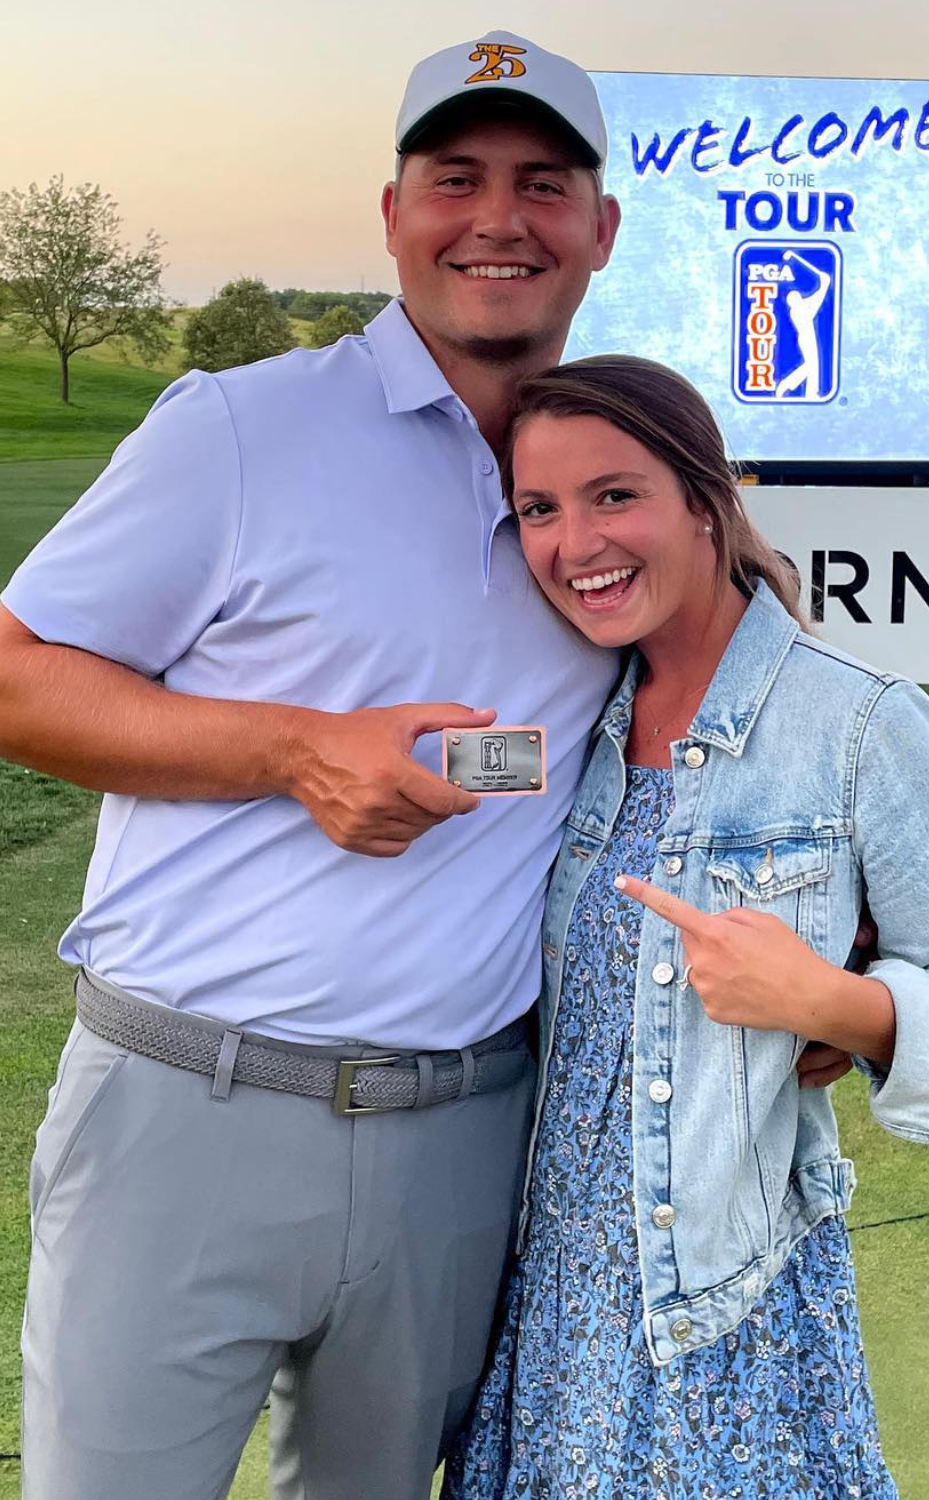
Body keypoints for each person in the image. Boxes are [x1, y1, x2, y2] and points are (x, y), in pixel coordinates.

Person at [0, 31, 627, 1500]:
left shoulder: (614, 486)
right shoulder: (242, 428)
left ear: (601, 227)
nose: (498, 218)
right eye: (454, 176)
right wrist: (293, 751)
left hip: (465, 1142)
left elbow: (700, 737)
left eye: (545, 183)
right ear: (394, 211)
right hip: (185, 1114)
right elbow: (18, 674)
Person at [443, 356, 929, 1499]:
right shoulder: (569, 709)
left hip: (722, 1310)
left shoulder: (859, 723)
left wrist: (832, 1005)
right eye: (538, 509)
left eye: (614, 495)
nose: (573, 542)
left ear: (705, 500)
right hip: (543, 1294)